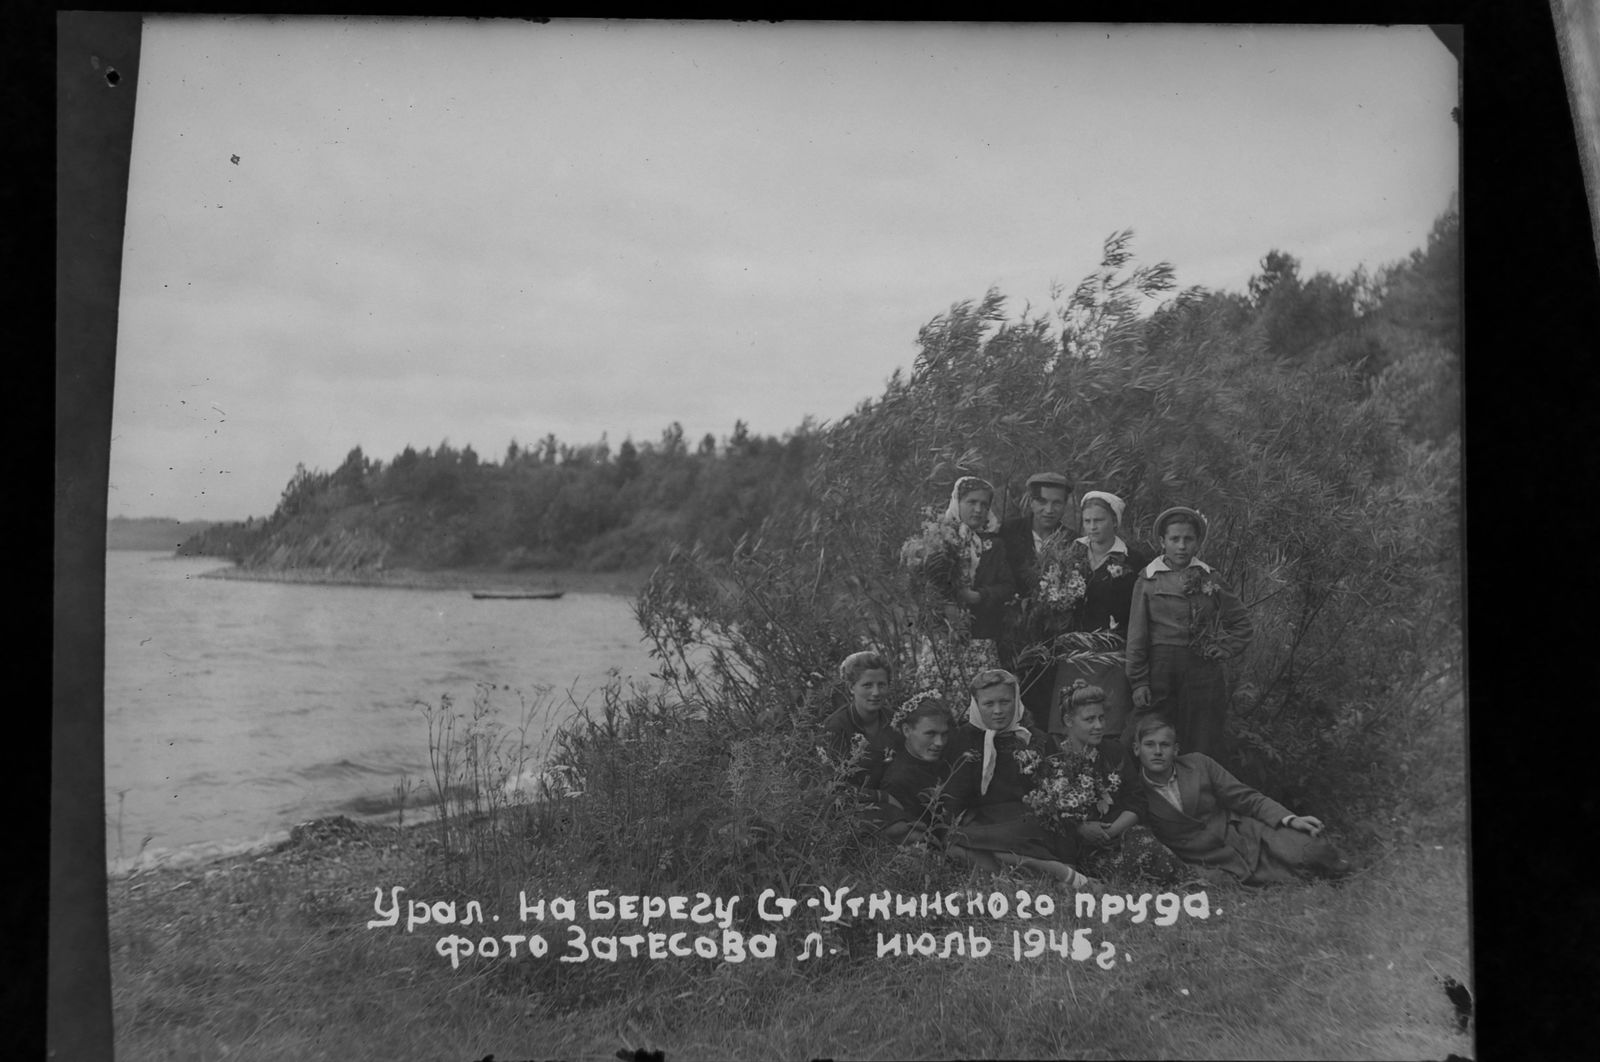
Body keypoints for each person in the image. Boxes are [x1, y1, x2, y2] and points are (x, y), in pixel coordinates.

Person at [1131, 715, 1352, 885]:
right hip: (1209, 860)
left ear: (1176, 749)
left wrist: (1289, 819)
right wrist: (1198, 873)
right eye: (1150, 744)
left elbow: (1246, 798)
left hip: (1246, 835)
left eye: (1165, 745)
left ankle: (1341, 868)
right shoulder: (1135, 793)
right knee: (1288, 879)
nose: (1158, 751)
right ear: (1137, 748)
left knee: (1314, 851)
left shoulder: (1199, 764)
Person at [942, 669, 1098, 889]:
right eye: (988, 704)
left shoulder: (1036, 739)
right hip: (983, 819)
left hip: (1027, 820)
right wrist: (955, 823)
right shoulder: (962, 739)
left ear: (1016, 700)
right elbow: (953, 795)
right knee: (955, 846)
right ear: (976, 705)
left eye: (1005, 702)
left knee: (999, 846)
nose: (998, 711)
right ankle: (1038, 880)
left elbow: (1058, 797)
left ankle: (1061, 872)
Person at [1125, 505, 1252, 760]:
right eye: (1174, 539)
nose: (1181, 546)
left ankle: (1197, 795)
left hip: (1202, 672)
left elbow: (1241, 622)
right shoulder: (1148, 579)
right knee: (1147, 734)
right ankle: (1144, 794)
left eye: (1188, 539)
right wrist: (1138, 681)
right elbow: (1137, 635)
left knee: (1200, 739)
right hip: (1160, 671)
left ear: (1197, 543)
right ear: (1163, 542)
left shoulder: (1209, 578)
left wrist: (1224, 647)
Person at [1050, 681, 1189, 886]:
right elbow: (1049, 814)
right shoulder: (1054, 759)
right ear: (1069, 720)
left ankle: (1183, 881)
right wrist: (1081, 829)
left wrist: (1112, 831)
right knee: (1133, 863)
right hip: (1081, 846)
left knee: (1145, 845)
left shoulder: (1114, 751)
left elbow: (1137, 801)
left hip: (1121, 832)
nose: (1099, 726)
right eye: (1089, 719)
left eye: (1101, 718)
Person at [1051, 490, 1153, 745]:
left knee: (1105, 721)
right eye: (1087, 521)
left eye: (1099, 520)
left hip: (1111, 653)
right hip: (1074, 651)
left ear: (1115, 522)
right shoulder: (1072, 552)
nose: (1092, 527)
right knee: (1069, 715)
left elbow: (1140, 610)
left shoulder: (1133, 559)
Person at [997, 471, 1075, 726]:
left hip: (1050, 643)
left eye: (1057, 503)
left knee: (1043, 710)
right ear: (1031, 502)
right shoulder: (1008, 531)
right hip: (1010, 638)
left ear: (1065, 505)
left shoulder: (1072, 541)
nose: (1049, 509)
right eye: (1042, 501)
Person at [819, 651, 898, 795]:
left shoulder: (894, 719)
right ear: (851, 687)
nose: (876, 692)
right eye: (867, 685)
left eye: (881, 685)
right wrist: (880, 797)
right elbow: (834, 785)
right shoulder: (836, 727)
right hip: (854, 808)